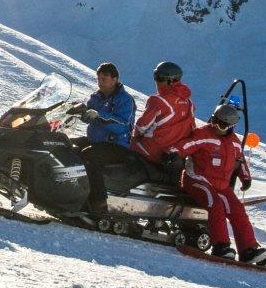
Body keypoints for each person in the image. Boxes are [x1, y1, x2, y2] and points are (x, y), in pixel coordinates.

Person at [79, 60, 193, 214]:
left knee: (89, 156)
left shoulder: (157, 101)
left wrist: (136, 138)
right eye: (156, 77)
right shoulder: (189, 104)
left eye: (159, 78)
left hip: (148, 152)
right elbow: (191, 129)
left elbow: (140, 126)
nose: (156, 82)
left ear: (170, 80)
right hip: (172, 157)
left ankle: (98, 204)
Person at [175, 102, 266, 265]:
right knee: (215, 203)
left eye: (222, 125)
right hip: (197, 180)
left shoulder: (233, 142)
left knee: (237, 209)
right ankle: (221, 246)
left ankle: (248, 249)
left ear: (231, 126)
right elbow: (186, 145)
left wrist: (245, 177)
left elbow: (239, 160)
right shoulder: (204, 134)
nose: (217, 126)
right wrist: (173, 153)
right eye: (214, 121)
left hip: (221, 186)